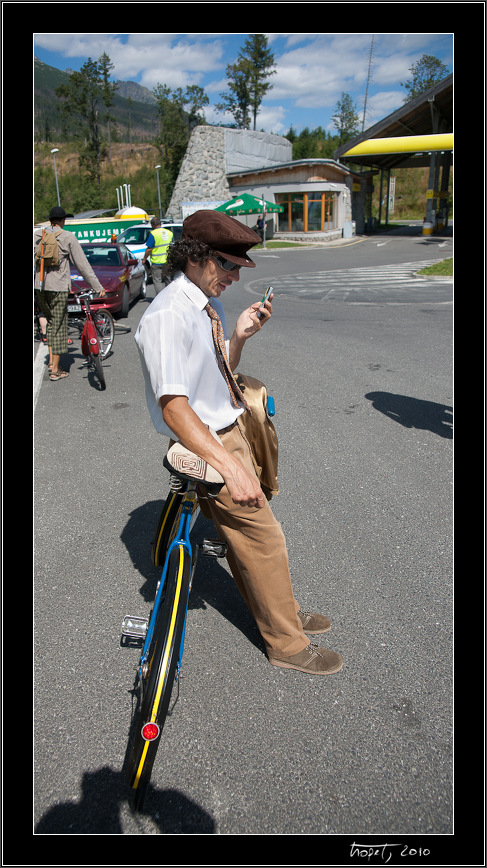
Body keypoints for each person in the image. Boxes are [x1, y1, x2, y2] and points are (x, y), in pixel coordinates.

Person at [134, 210, 342, 675]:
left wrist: (240, 337)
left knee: (248, 540)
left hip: (230, 432)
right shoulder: (168, 314)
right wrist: (229, 467)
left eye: (238, 268)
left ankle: (279, 611)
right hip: (209, 445)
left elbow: (215, 372)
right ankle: (287, 643)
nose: (233, 277)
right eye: (227, 265)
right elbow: (175, 408)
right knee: (263, 537)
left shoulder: (204, 303)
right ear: (196, 256)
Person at [34, 206, 106, 381]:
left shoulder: (37, 235)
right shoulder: (67, 237)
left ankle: (51, 361)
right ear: (63, 220)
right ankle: (55, 371)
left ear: (51, 220)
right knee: (59, 327)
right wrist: (97, 286)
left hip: (40, 287)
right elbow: (83, 266)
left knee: (51, 323)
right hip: (58, 288)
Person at [141, 217, 173, 294]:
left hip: (157, 262)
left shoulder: (153, 234)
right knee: (169, 280)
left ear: (152, 225)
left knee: (157, 281)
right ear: (160, 224)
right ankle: (170, 297)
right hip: (168, 260)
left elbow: (149, 249)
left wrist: (144, 258)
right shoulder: (169, 233)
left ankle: (161, 298)